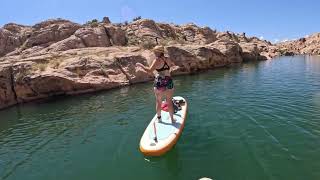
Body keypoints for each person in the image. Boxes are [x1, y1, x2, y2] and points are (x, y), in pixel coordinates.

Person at [136, 45, 176, 123]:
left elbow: (149, 70)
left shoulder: (157, 60)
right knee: (169, 101)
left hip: (160, 82)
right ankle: (172, 119)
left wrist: (141, 65)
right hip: (169, 81)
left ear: (158, 52)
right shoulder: (168, 59)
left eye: (155, 51)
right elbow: (170, 66)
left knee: (158, 101)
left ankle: (159, 119)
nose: (154, 52)